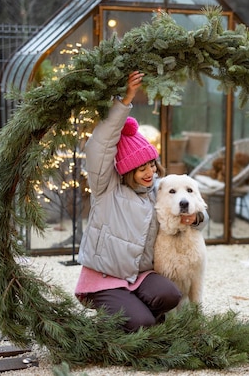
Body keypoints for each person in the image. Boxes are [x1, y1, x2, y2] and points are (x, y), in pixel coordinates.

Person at [75, 71, 207, 332]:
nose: (148, 173)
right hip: (105, 279)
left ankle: (130, 306)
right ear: (126, 171)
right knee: (144, 324)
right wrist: (124, 103)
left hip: (139, 278)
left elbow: (190, 200)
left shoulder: (157, 191)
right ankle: (118, 311)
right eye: (140, 168)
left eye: (151, 165)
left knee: (171, 296)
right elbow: (98, 148)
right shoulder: (106, 188)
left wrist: (197, 218)